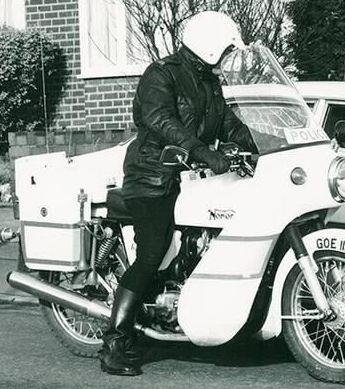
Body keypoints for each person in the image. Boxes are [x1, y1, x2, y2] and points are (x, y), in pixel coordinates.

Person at [99, 11, 257, 376]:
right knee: (153, 251)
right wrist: (203, 152)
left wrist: (265, 146)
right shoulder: (162, 74)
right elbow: (160, 121)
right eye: (227, 47)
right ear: (211, 44)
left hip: (191, 178)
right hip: (152, 175)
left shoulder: (208, 81)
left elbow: (228, 122)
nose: (229, 53)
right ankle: (114, 343)